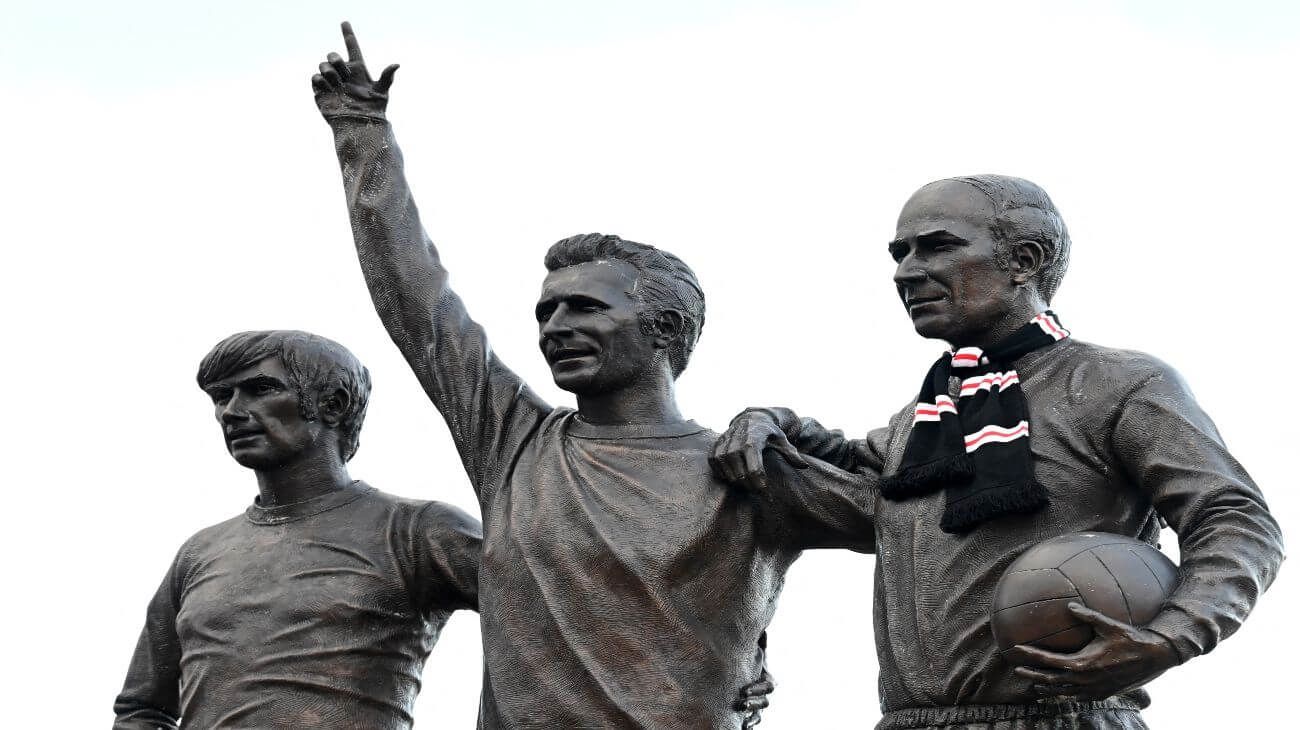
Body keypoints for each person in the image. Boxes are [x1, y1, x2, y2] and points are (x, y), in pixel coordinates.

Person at [311, 23, 873, 729]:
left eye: (583, 307)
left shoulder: (745, 467)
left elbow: (915, 515)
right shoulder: (516, 444)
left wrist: (792, 425)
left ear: (665, 329)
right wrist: (362, 133)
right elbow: (417, 299)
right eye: (545, 312)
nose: (553, 327)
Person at [712, 175, 1284, 729]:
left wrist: (1171, 635)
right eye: (900, 253)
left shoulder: (1118, 383)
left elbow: (1234, 519)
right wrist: (773, 421)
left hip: (1065, 722)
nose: (908, 272)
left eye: (938, 246)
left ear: (1025, 260)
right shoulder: (926, 418)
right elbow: (853, 474)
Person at [113, 331, 481, 729]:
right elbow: (142, 709)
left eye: (260, 389)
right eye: (222, 397)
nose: (232, 411)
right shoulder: (200, 553)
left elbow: (544, 615)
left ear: (333, 404)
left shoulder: (416, 532)